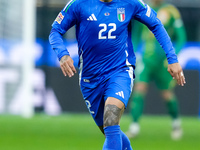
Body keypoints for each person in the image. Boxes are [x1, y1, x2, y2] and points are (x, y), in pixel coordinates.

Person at [49, 0, 186, 149]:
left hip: (120, 71)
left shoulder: (130, 3)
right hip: (90, 79)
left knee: (111, 117)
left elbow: (156, 24)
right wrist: (63, 54)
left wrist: (172, 58)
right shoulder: (79, 4)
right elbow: (55, 31)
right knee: (112, 131)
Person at [126, 0, 186, 140]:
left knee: (167, 94)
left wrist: (173, 57)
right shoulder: (143, 9)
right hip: (147, 60)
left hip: (163, 62)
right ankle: (134, 127)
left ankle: (176, 124)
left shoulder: (171, 11)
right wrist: (133, 54)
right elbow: (135, 35)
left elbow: (182, 36)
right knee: (139, 90)